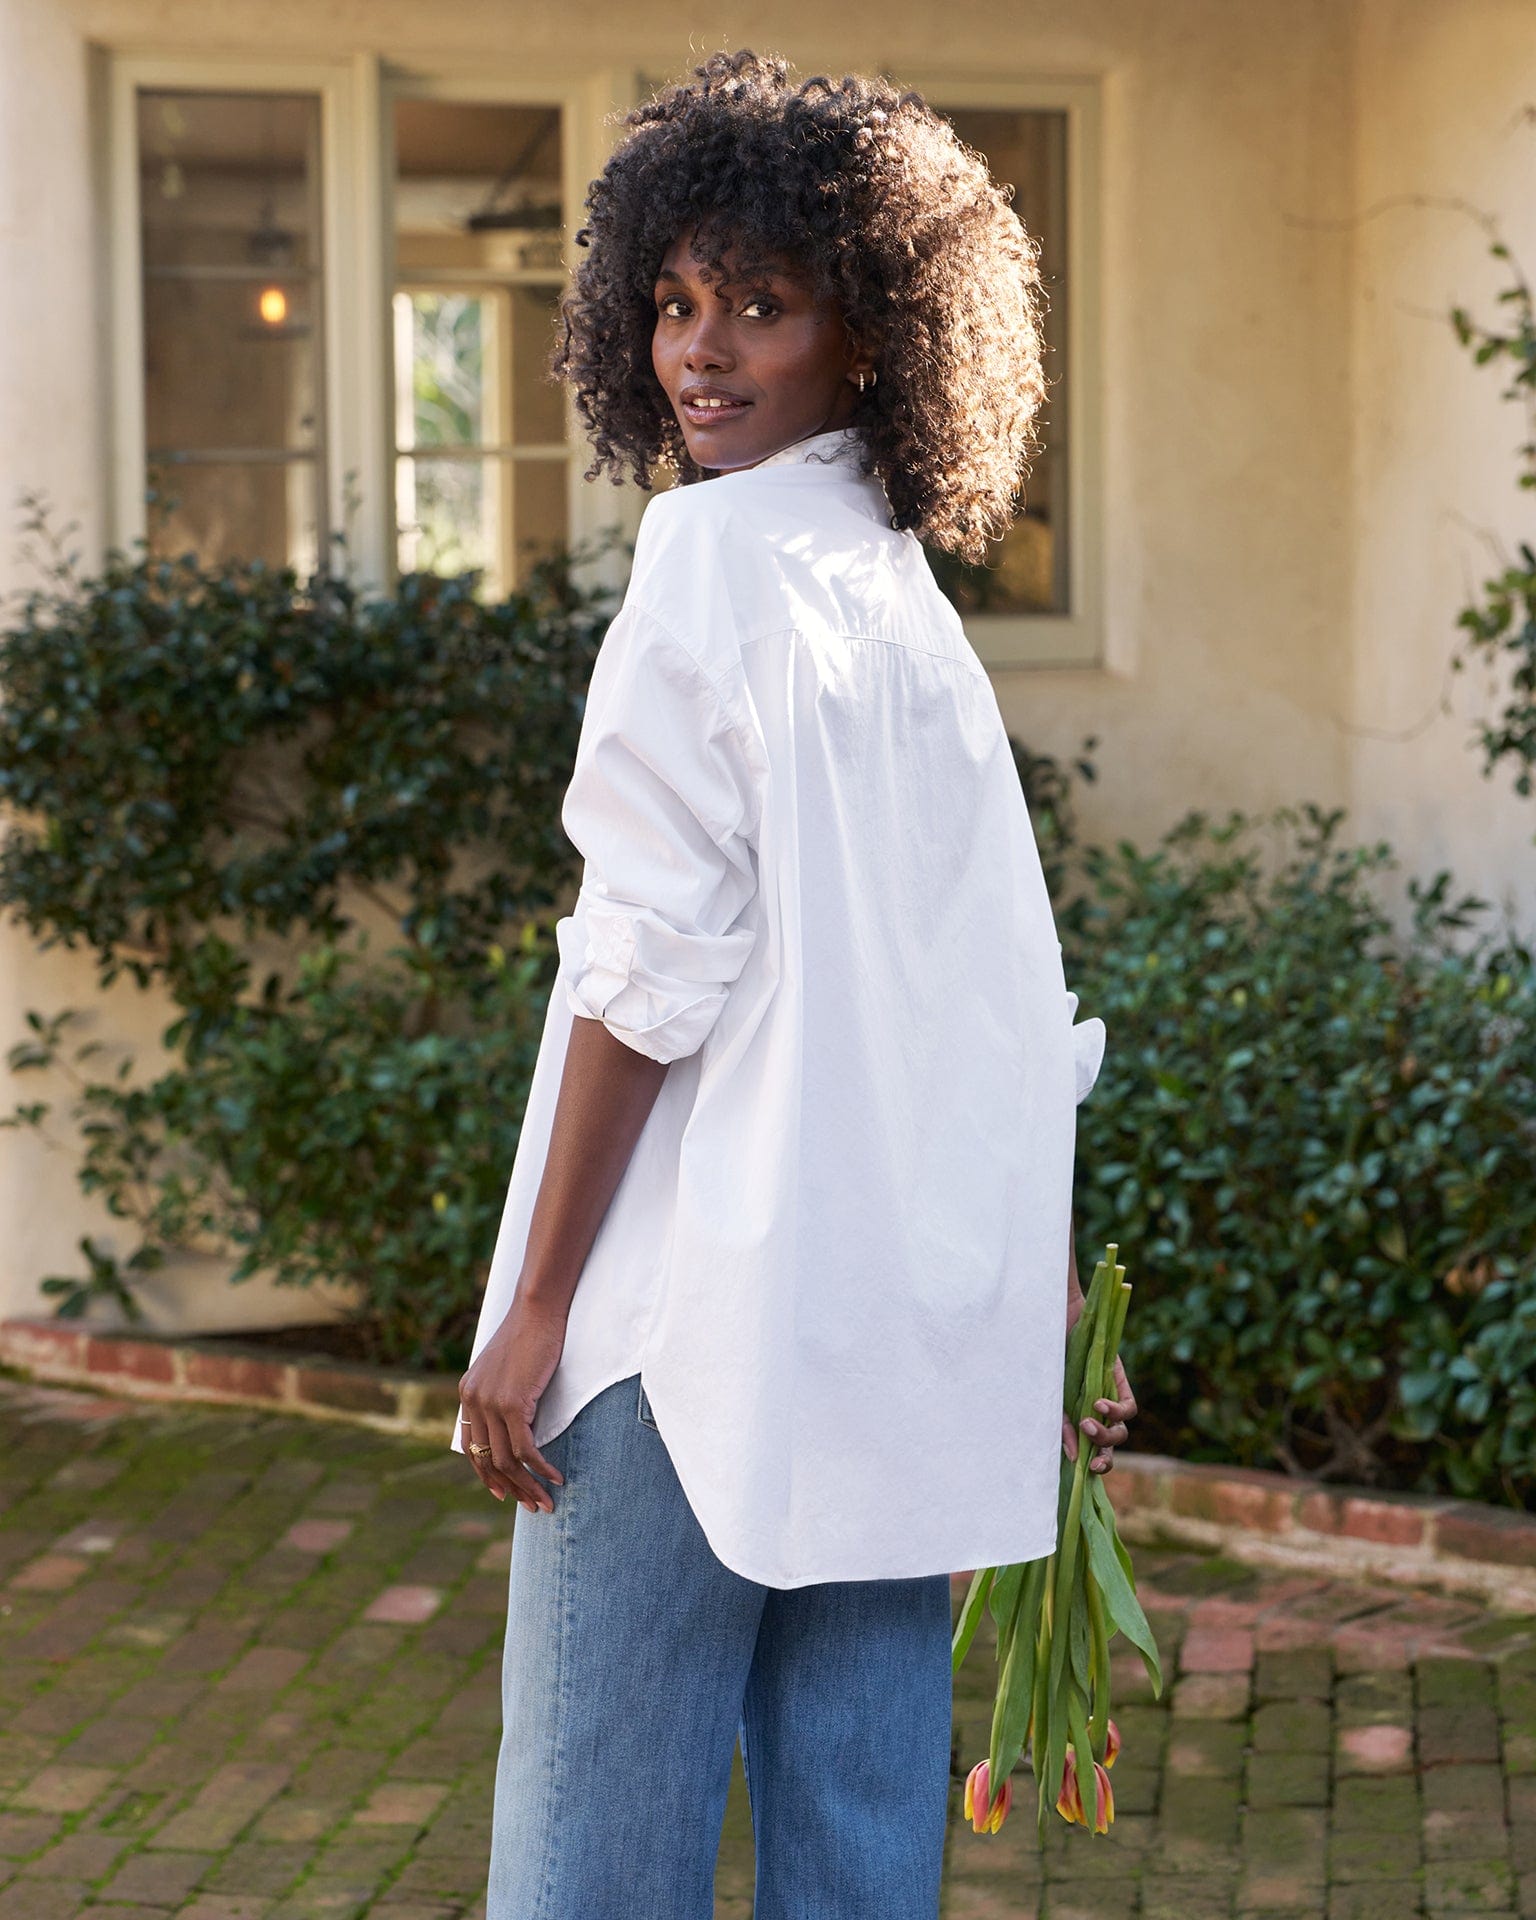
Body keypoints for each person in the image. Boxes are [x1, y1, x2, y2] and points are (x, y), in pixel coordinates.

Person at [452, 48, 1138, 1919]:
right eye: (674, 303)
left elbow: (645, 966)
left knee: (597, 1854)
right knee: (857, 1854)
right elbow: (998, 1004)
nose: (703, 348)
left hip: (684, 1330)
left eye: (763, 301)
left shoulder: (715, 554)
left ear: (873, 329)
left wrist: (537, 1307)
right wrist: (1040, 1305)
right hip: (885, 1341)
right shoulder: (902, 600)